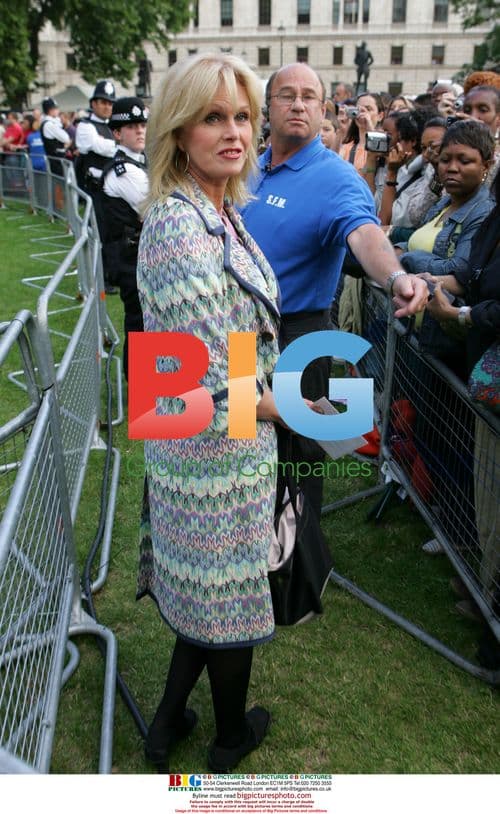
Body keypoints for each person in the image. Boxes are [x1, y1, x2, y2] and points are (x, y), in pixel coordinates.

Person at [136, 53, 283, 774]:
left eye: (243, 116)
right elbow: (216, 380)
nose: (234, 132)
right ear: (178, 130)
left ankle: (166, 724)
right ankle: (230, 738)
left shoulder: (215, 208)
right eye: (213, 117)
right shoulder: (177, 224)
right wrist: (301, 413)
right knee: (226, 600)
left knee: (206, 592)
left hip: (211, 445)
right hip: (213, 450)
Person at [241, 62, 428, 518]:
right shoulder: (247, 165)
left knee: (297, 468)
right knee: (242, 454)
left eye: (310, 96)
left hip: (295, 340)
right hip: (237, 333)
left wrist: (395, 277)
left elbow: (365, 234)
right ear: (269, 106)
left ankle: (298, 574)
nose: (299, 103)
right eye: (287, 94)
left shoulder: (336, 178)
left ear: (324, 108)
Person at [101, 97, 149, 379]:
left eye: (142, 124)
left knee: (143, 323)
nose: (140, 130)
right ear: (117, 133)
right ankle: (141, 388)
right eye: (131, 126)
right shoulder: (125, 171)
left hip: (134, 257)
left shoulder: (136, 164)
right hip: (130, 260)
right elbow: (158, 207)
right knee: (139, 324)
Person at [75, 80, 117, 293]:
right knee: (99, 235)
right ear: (93, 103)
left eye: (109, 103)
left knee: (111, 233)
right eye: (102, 102)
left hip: (111, 189)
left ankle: (111, 274)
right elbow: (97, 147)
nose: (106, 106)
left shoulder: (110, 126)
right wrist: (117, 144)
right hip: (95, 189)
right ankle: (100, 280)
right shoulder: (85, 125)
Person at [339, 92, 385, 173]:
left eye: (368, 109)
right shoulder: (347, 148)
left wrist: (369, 126)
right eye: (358, 109)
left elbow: (380, 151)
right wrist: (340, 129)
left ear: (380, 116)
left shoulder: (384, 141)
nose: (362, 113)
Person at [40, 97, 71, 176]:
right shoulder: (49, 124)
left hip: (57, 160)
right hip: (56, 161)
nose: (58, 111)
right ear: (51, 110)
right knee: (60, 185)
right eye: (56, 108)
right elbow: (66, 138)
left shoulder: (50, 123)